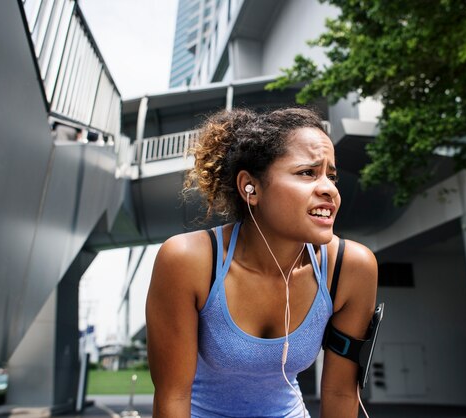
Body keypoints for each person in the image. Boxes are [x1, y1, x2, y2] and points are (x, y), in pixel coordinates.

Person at [146, 107, 378, 418]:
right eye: (308, 172)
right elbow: (173, 398)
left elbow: (341, 392)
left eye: (331, 176)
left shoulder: (351, 267)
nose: (329, 190)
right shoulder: (188, 260)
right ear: (250, 187)